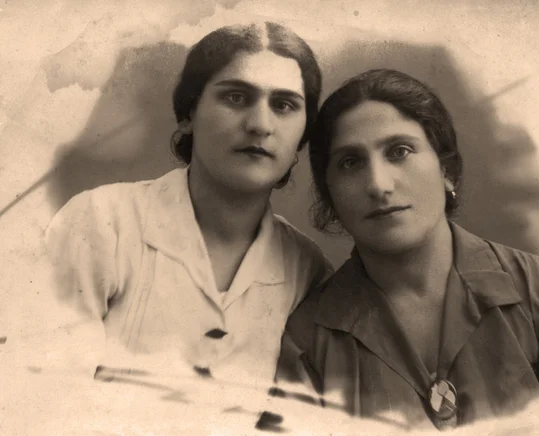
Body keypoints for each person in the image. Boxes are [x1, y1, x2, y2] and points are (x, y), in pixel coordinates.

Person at [281, 69, 539, 430]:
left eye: (399, 151)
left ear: (447, 172)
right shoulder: (305, 345)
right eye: (351, 162)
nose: (379, 185)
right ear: (330, 195)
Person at [44, 21, 331, 387]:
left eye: (284, 105)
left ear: (302, 139)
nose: (260, 124)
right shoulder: (102, 223)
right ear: (188, 114)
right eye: (236, 97)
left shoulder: (309, 271)